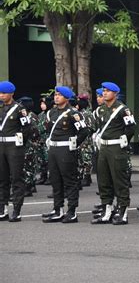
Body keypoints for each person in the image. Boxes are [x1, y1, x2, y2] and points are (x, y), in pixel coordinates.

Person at [42, 87, 90, 223]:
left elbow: (84, 131)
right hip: (53, 149)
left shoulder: (73, 113)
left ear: (66, 98)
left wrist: (74, 143)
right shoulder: (52, 112)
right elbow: (48, 129)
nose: (56, 97)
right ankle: (58, 209)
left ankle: (72, 211)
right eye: (56, 95)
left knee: (70, 181)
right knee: (55, 180)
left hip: (66, 150)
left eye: (59, 95)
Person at [91, 82, 136, 225]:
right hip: (103, 148)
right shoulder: (101, 110)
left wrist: (125, 140)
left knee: (119, 180)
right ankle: (107, 211)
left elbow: (130, 127)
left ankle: (123, 212)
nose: (104, 93)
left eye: (107, 91)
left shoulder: (123, 109)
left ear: (115, 93)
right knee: (103, 180)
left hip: (116, 148)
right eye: (103, 91)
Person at [0, 81, 32, 222]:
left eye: (4, 93)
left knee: (16, 178)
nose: (1, 95)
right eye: (0, 93)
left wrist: (20, 143)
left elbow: (27, 128)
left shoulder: (19, 109)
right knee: (2, 179)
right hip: (1, 146)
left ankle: (17, 211)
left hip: (14, 147)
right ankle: (3, 209)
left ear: (11, 94)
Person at [37, 94, 54, 186]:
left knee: (49, 160)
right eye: (41, 104)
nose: (42, 105)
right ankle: (43, 176)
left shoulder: (51, 113)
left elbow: (45, 127)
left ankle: (51, 177)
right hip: (41, 140)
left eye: (44, 103)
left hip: (48, 139)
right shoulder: (40, 115)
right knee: (42, 159)